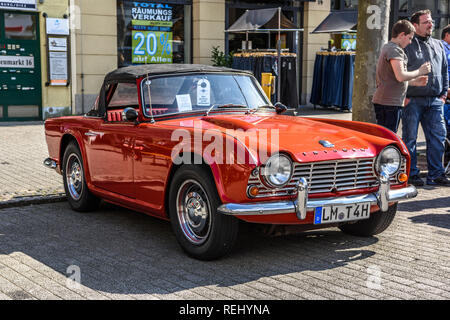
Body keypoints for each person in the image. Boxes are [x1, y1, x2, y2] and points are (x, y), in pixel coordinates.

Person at [402, 10, 450, 186]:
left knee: (438, 137)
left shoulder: (438, 44)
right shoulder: (407, 44)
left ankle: (436, 174)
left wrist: (443, 94)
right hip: (412, 100)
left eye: (431, 22)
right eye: (426, 22)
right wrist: (404, 95)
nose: (431, 25)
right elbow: (400, 72)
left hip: (436, 100)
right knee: (410, 139)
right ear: (415, 26)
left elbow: (444, 70)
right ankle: (412, 174)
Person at [372, 20, 430, 133]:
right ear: (402, 34)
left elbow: (394, 78)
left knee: (386, 137)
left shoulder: (390, 47)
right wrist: (420, 71)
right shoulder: (394, 49)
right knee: (388, 139)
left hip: (388, 102)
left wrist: (414, 82)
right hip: (389, 104)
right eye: (409, 38)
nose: (410, 42)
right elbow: (400, 76)